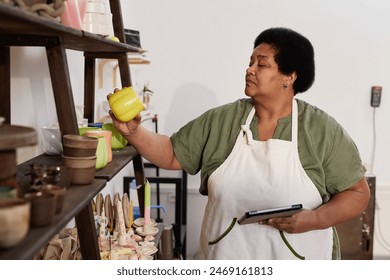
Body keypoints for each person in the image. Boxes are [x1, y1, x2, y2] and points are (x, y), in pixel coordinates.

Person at [107, 27, 370, 260]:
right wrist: (133, 132)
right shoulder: (223, 120)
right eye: (250, 62)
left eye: (262, 64)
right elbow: (173, 154)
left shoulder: (321, 130)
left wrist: (315, 219)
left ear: (289, 76)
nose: (250, 69)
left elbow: (357, 193)